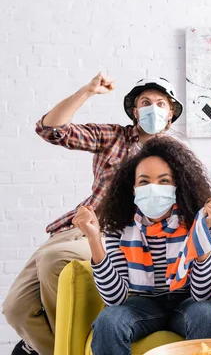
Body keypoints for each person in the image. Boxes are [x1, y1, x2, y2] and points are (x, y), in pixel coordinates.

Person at [2, 73, 184, 355]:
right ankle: (50, 348)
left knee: (53, 260)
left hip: (111, 235)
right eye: (145, 102)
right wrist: (87, 91)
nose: (153, 108)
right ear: (135, 111)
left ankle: (69, 345)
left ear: (170, 114)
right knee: (16, 308)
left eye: (161, 103)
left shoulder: (176, 155)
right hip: (73, 228)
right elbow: (50, 129)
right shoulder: (112, 136)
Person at [73, 137, 211, 354]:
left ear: (177, 186)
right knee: (109, 320)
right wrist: (95, 239)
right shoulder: (120, 225)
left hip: (187, 302)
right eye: (144, 182)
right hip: (141, 304)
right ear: (133, 188)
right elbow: (115, 298)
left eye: (164, 181)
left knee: (206, 313)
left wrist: (201, 234)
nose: (154, 188)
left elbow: (202, 294)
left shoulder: (197, 221)